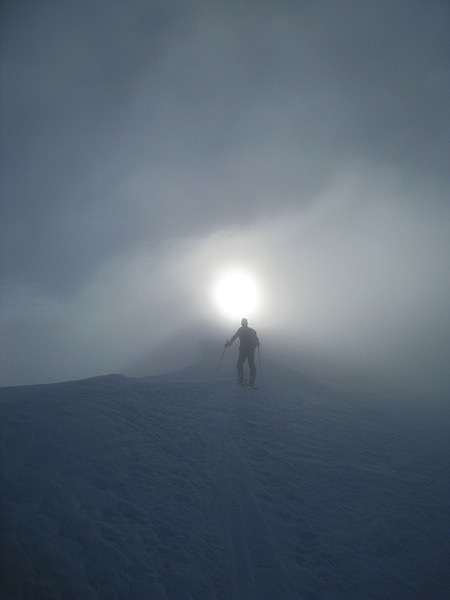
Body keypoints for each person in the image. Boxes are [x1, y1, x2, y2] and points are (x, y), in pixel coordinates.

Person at [225, 318, 260, 385]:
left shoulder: (240, 330)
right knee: (251, 364)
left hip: (243, 350)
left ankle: (241, 377)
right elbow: (257, 341)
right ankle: (252, 377)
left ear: (242, 323)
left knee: (239, 363)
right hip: (251, 350)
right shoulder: (252, 331)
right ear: (247, 323)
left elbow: (234, 337)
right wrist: (257, 344)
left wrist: (228, 344)